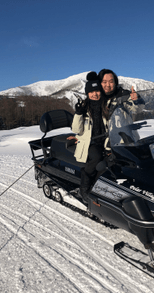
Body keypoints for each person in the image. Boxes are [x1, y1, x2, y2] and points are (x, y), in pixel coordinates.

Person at [70, 71, 109, 203]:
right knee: (97, 157)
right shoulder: (84, 107)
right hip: (90, 142)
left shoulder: (107, 105)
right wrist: (78, 113)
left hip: (107, 140)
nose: (95, 94)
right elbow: (76, 129)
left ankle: (102, 185)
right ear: (87, 93)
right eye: (91, 92)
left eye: (97, 91)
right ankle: (85, 187)